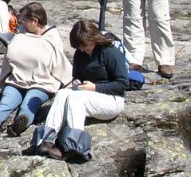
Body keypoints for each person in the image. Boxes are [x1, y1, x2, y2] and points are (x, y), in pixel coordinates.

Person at [0, 2, 72, 138]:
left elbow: (60, 65)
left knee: (30, 104)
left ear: (35, 21)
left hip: (42, 83)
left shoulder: (52, 39)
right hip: (17, 80)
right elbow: (9, 58)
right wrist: (2, 83)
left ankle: (20, 124)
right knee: (6, 102)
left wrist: (69, 84)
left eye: (24, 21)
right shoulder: (22, 34)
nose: (21, 24)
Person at [33, 20, 128, 159]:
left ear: (93, 38)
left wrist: (95, 87)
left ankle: (73, 147)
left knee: (75, 98)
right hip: (89, 95)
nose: (82, 49)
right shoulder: (80, 54)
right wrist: (77, 82)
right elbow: (77, 76)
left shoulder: (110, 52)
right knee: (62, 93)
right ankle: (46, 140)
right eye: (79, 47)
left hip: (112, 99)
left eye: (84, 45)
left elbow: (122, 84)